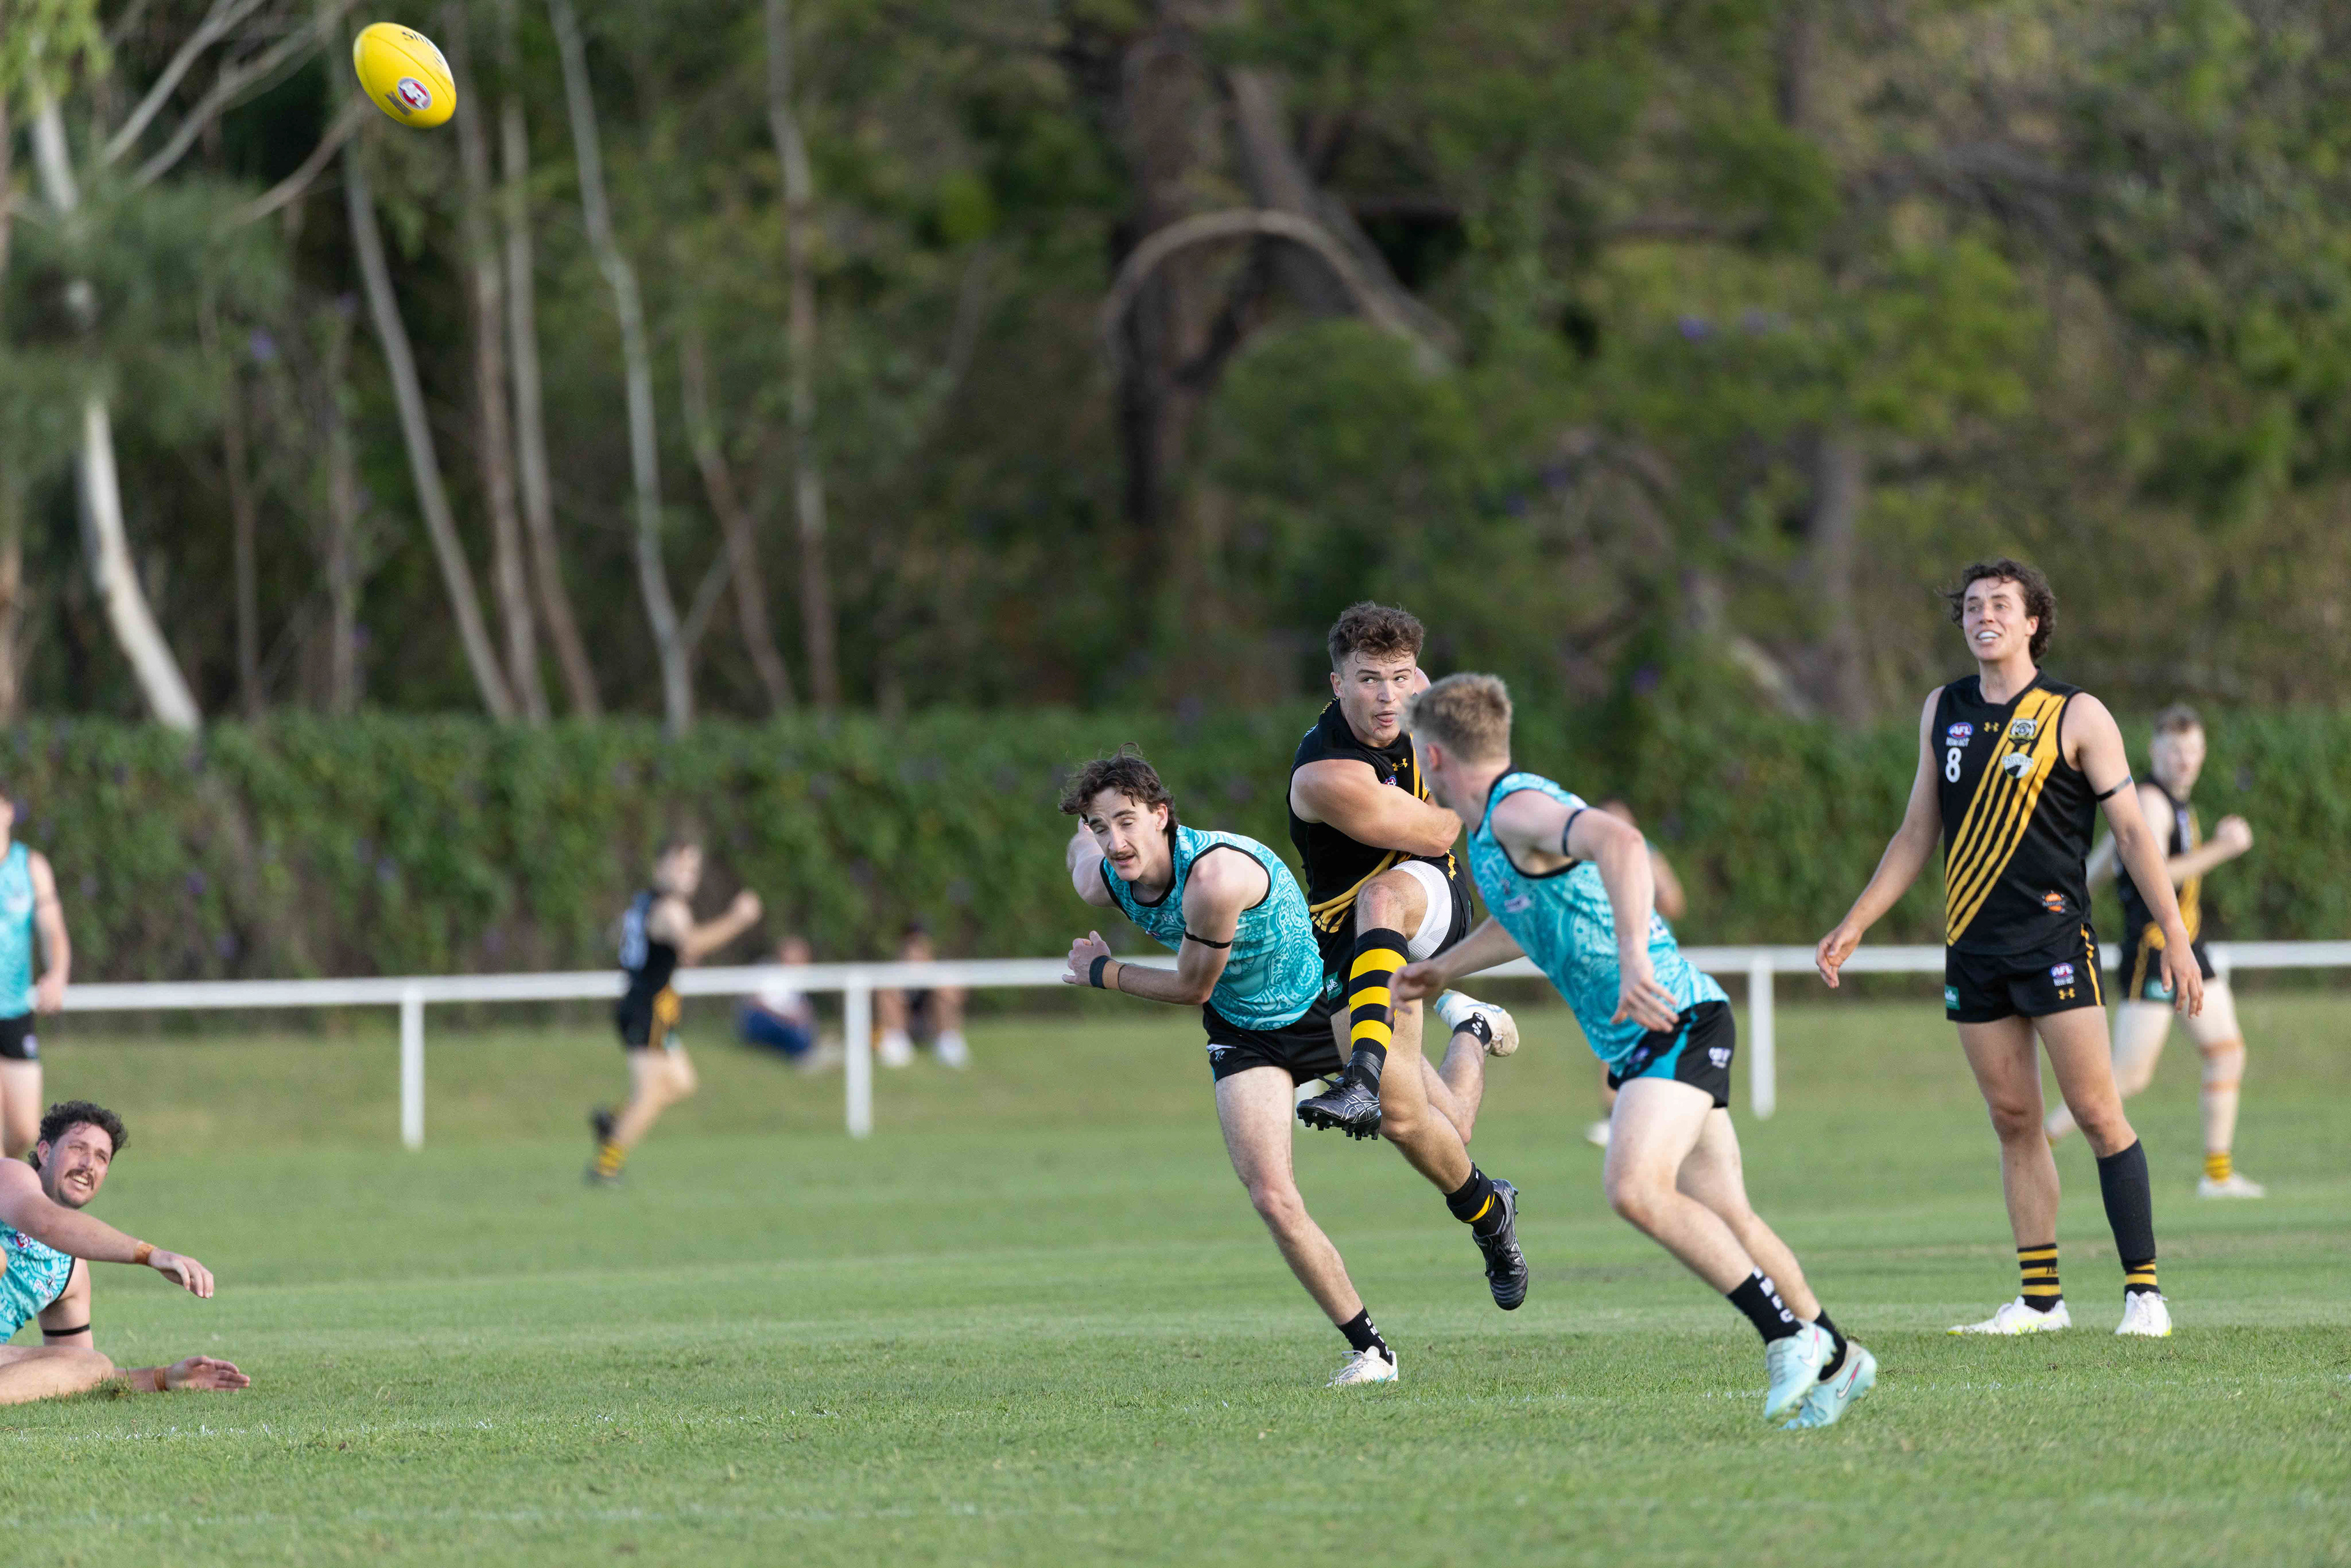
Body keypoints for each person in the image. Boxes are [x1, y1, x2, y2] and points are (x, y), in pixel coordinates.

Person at [1400, 673, 1874, 1429]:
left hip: (1675, 1023)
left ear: (1432, 756)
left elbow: (1620, 840)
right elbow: (1523, 918)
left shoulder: (1516, 807)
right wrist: (1442, 969)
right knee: (1728, 1214)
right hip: (1652, 1034)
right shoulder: (1491, 831)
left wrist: (1632, 952)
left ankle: (1788, 1334)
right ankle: (1841, 1356)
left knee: (1633, 1186)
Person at [1815, 558, 2199, 1339]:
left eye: (2000, 604)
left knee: (2097, 1111)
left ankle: (2145, 1293)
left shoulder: (2077, 713)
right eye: (1972, 605)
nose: (1983, 615)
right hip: (1973, 948)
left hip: (2055, 942)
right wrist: (1856, 920)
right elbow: (1917, 832)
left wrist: (2177, 937)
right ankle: (2041, 1301)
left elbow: (2133, 834)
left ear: (2033, 622)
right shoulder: (1943, 708)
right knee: (2014, 1117)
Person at [1057, 747, 1485, 1386]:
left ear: (1162, 815)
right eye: (1101, 826)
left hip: (1321, 1004)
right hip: (1243, 1031)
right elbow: (1081, 856)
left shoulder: (1214, 879)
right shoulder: (1102, 874)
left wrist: (1104, 972)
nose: (1115, 841)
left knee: (1449, 1126)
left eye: (1127, 821)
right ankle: (1372, 1351)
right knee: (1271, 1194)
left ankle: (1473, 1028)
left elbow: (1193, 985)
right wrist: (1084, 824)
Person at [1282, 605, 1529, 1310]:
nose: (1387, 696)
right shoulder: (1325, 775)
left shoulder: (1426, 706)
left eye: (1399, 677)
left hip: (1428, 895)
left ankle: (1359, 1071)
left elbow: (1443, 838)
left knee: (1383, 894)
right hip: (1348, 941)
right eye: (1368, 679)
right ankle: (1490, 1210)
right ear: (1337, 684)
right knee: (1420, 1121)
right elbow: (1446, 815)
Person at [2044, 705, 2263, 1196]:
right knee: (2127, 1077)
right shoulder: (2151, 800)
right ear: (2154, 750)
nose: (2185, 759)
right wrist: (2225, 848)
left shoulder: (2171, 803)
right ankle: (2040, 1139)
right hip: (2155, 950)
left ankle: (2217, 1176)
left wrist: (2075, 889)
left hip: (2188, 946)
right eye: (2175, 749)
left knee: (2226, 1052)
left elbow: (2110, 855)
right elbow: (2155, 870)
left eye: (2193, 750)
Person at [0, 1100, 247, 1405]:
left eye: (101, 1157)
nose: (88, 1164)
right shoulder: (9, 1175)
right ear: (45, 1152)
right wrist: (149, 1254)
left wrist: (163, 1378)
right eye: (78, 1148)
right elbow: (46, 1223)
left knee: (93, 1365)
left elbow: (80, 1376)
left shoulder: (71, 1273)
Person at [588, 838, 763, 1185]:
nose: (687, 875)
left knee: (682, 1082)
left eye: (693, 869)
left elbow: (619, 936)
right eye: (680, 866)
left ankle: (614, 1121)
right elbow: (691, 942)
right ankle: (606, 1168)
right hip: (647, 1009)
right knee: (651, 1094)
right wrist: (738, 919)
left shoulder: (644, 901)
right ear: (659, 867)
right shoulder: (670, 909)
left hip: (656, 1007)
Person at [1584, 798, 1687, 1149]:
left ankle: (1663, 1114)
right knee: (1612, 1033)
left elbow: (1674, 903)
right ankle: (1614, 1116)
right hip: (1608, 955)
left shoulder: (1646, 854)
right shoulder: (1585, 859)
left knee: (1658, 1032)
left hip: (1650, 959)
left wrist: (1642, 889)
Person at [0, 789, 70, 1158]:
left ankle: (7, 1186)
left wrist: (57, 974)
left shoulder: (30, 867)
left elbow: (53, 932)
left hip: (14, 1012)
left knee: (25, 1131)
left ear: (9, 810)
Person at [737, 934, 841, 1072]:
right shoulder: (767, 968)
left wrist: (803, 1017)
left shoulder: (797, 978)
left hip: (786, 1022)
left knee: (803, 1031)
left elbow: (801, 1006)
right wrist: (784, 1017)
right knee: (794, 1035)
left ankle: (810, 1052)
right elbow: (754, 1002)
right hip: (760, 1019)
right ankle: (807, 1056)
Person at [876, 922, 970, 1069]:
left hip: (931, 1026)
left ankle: (948, 1043)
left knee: (946, 991)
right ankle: (896, 1044)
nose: (915, 950)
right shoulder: (895, 972)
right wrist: (908, 976)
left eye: (920, 945)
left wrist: (928, 974)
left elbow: (958, 999)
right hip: (907, 1026)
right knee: (887, 990)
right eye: (911, 944)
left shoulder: (942, 970)